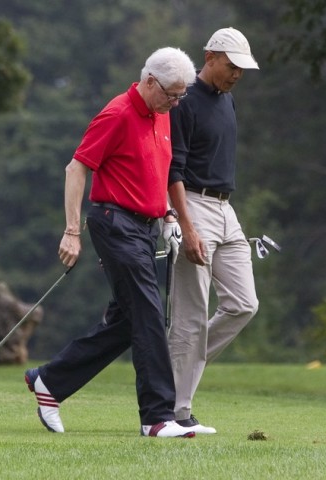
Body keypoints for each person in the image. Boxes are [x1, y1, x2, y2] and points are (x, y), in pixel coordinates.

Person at [24, 47, 197, 438]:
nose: (176, 102)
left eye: (181, 96)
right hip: (113, 223)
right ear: (149, 81)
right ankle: (157, 418)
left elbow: (154, 173)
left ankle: (49, 381)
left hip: (145, 226)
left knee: (128, 321)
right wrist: (71, 231)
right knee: (152, 315)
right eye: (171, 93)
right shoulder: (117, 113)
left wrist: (167, 214)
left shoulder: (162, 116)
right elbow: (76, 167)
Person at [166, 27, 260, 435]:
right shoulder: (184, 101)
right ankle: (174, 412)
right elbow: (173, 170)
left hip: (226, 208)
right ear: (210, 56)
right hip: (193, 205)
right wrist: (185, 226)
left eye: (242, 68)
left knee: (244, 304)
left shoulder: (229, 101)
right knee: (190, 316)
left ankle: (172, 368)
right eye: (231, 65)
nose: (237, 73)